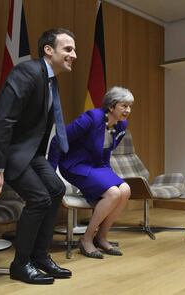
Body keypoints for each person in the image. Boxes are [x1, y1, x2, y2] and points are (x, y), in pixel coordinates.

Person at [0, 28, 77, 284]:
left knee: (54, 189)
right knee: (39, 199)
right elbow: (3, 120)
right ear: (48, 50)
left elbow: (37, 126)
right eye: (68, 49)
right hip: (1, 146)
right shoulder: (27, 72)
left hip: (25, 149)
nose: (74, 54)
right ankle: (20, 265)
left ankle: (40, 257)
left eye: (74, 50)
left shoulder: (49, 78)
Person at [48, 87, 133, 259]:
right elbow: (58, 139)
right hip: (75, 165)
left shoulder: (122, 125)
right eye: (124, 106)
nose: (128, 110)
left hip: (97, 166)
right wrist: (49, 173)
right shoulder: (91, 118)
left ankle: (101, 237)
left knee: (125, 190)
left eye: (130, 106)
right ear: (111, 107)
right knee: (113, 193)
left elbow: (106, 150)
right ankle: (86, 239)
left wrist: (107, 174)